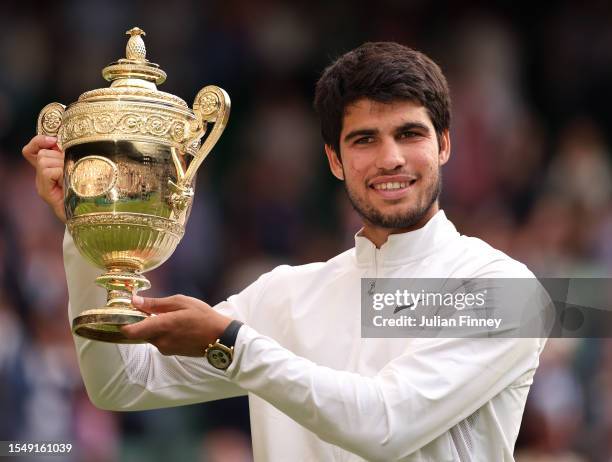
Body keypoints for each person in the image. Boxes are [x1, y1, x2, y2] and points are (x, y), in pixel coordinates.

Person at [23, 42, 546, 461]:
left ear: (445, 145)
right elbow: (121, 384)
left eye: (410, 134)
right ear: (335, 161)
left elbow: (386, 426)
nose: (390, 158)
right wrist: (90, 224)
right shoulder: (285, 293)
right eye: (364, 140)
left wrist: (233, 345)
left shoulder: (510, 291)